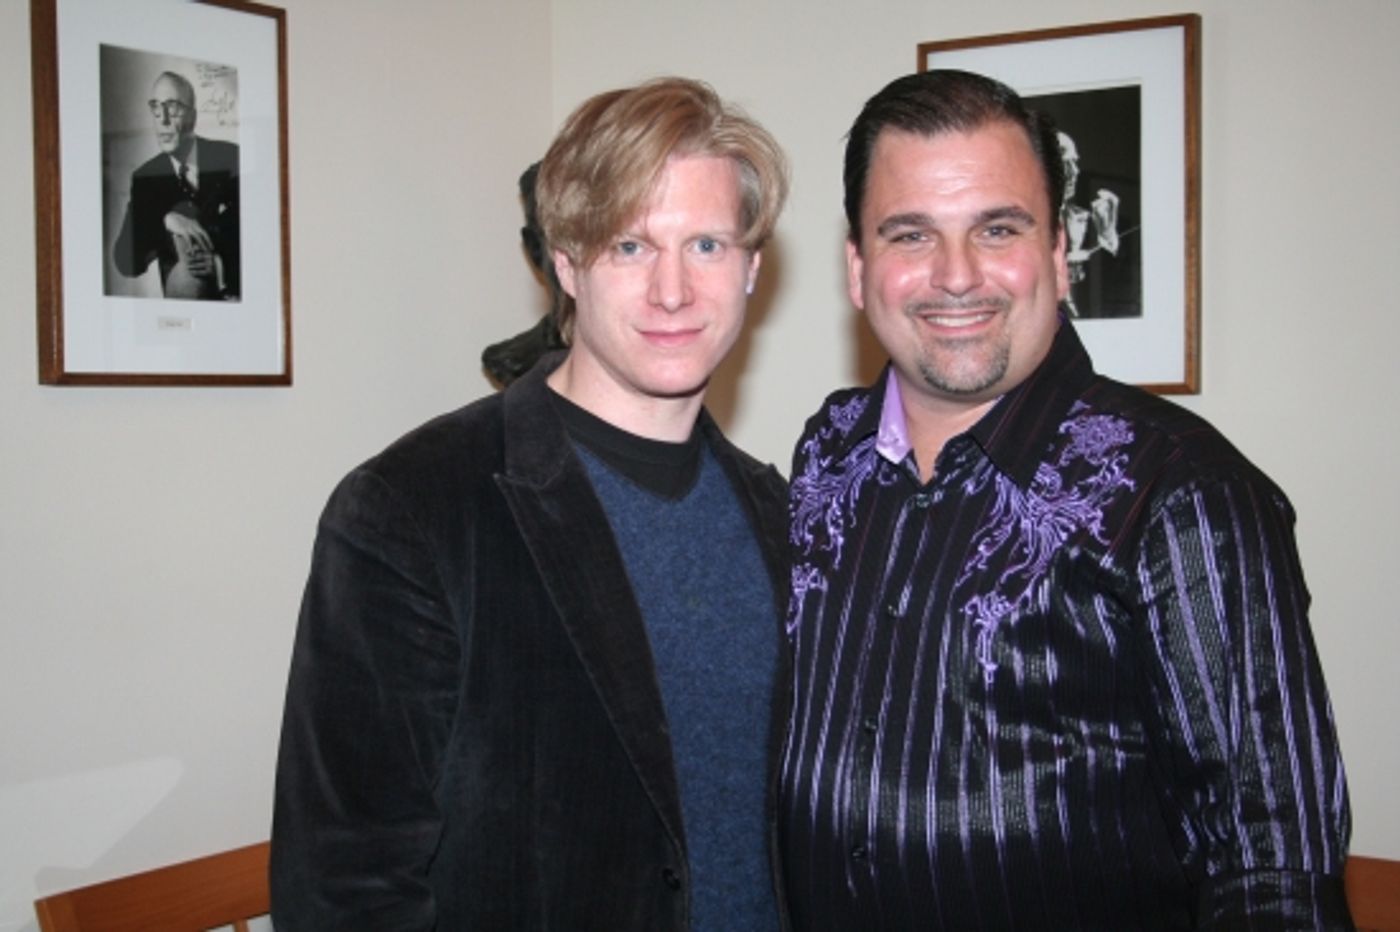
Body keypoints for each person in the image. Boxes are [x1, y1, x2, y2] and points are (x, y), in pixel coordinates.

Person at [779, 69, 1352, 930]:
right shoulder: (826, 455)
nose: (957, 275)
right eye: (911, 236)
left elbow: (1271, 870)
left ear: (1057, 254)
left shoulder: (1182, 492)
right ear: (859, 270)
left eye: (997, 228)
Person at [271, 77, 790, 930]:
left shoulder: (779, 516)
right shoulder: (410, 512)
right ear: (567, 264)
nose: (672, 291)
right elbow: (344, 886)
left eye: (706, 246)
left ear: (751, 271)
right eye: (629, 247)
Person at [112, 70, 240, 300]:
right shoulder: (146, 178)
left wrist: (221, 267)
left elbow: (261, 238)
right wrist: (165, 219)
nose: (163, 119)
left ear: (193, 116)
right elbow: (125, 261)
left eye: (172, 107)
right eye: (155, 107)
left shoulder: (231, 157)